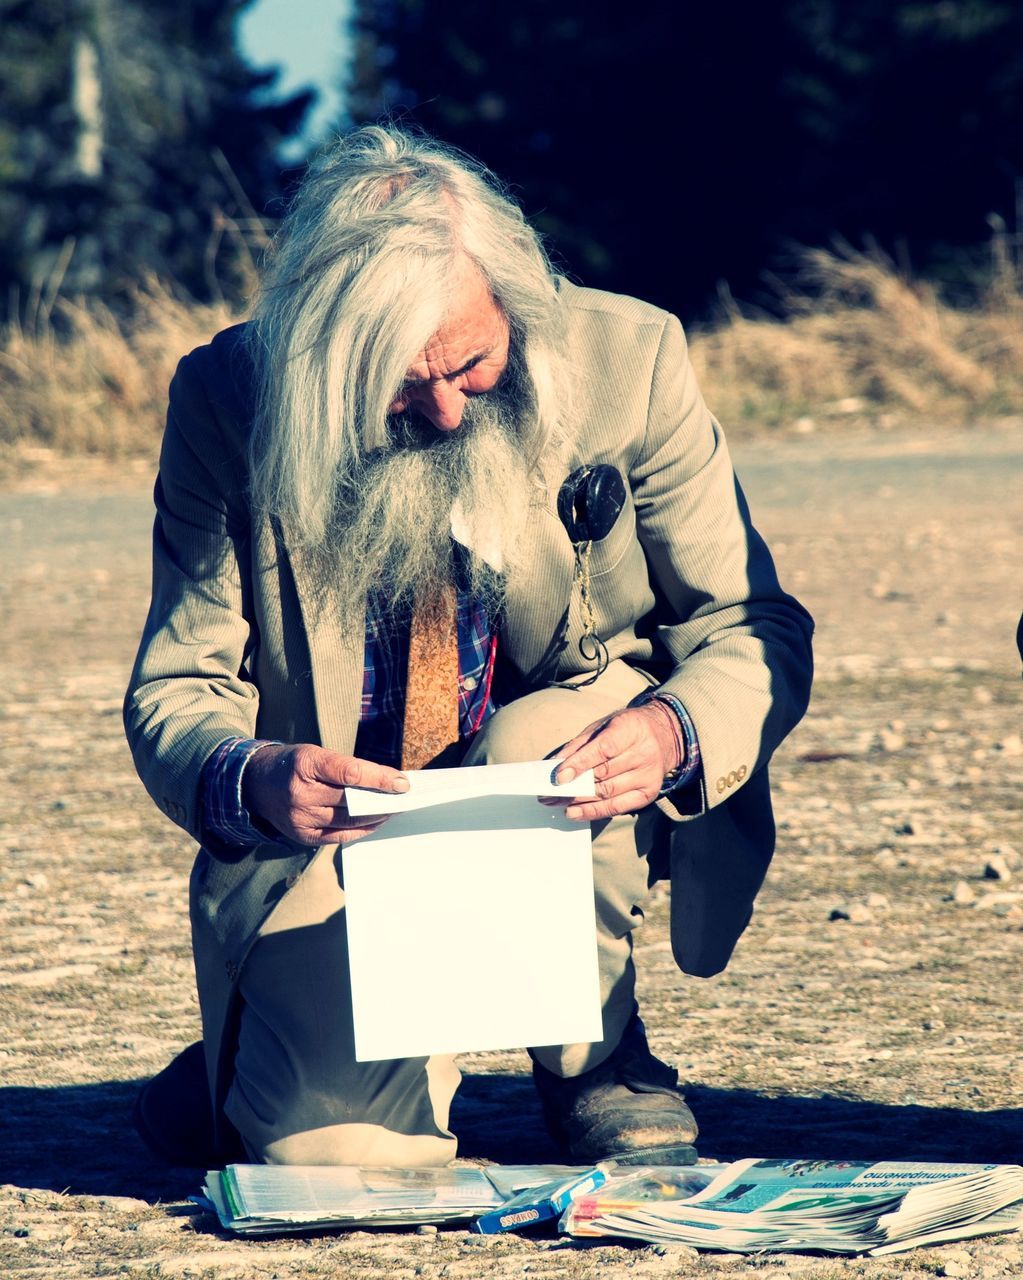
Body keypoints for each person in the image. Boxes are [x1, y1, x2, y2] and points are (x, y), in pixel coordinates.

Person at [124, 125, 814, 1170]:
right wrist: (255, 775)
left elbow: (752, 626)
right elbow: (178, 688)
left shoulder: (634, 361)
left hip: (563, 791)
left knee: (541, 736)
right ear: (318, 357)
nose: (443, 410)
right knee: (339, 1159)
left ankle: (593, 1049)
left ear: (517, 306)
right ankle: (264, 1043)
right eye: (398, 385)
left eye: (472, 364)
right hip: (343, 832)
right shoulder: (228, 399)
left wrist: (671, 732)